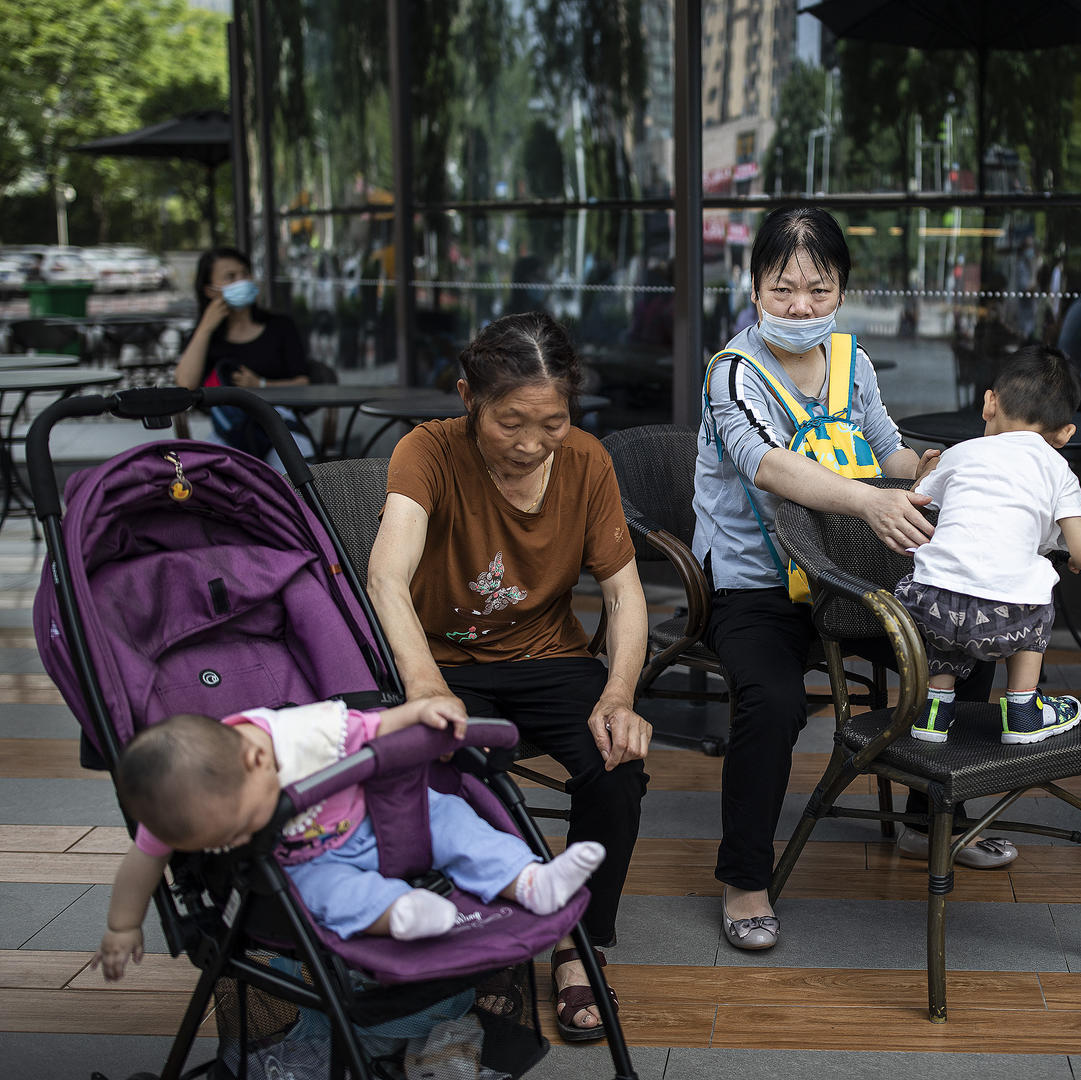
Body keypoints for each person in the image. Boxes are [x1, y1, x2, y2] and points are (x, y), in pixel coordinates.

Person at [694, 207, 1018, 955]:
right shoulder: (731, 374)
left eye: (819, 288)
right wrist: (871, 500)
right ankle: (744, 877)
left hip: (843, 579)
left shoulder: (852, 361)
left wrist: (946, 464)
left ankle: (928, 818)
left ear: (841, 289)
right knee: (771, 701)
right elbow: (771, 466)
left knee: (963, 644)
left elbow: (891, 452)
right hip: (757, 587)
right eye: (783, 289)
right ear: (752, 289)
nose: (801, 306)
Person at [368, 311, 650, 1041]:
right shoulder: (426, 452)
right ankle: (494, 932)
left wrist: (619, 694)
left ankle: (575, 944)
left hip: (547, 655)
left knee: (616, 765)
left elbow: (623, 593)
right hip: (446, 660)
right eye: (510, 422)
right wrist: (425, 683)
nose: (531, 443)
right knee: (457, 769)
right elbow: (386, 577)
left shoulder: (586, 460)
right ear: (469, 399)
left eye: (551, 422)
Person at [93, 700, 606, 980]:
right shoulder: (179, 803)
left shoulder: (305, 734)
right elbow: (141, 863)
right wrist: (122, 925)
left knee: (451, 816)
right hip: (318, 860)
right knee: (325, 893)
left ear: (257, 760)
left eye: (242, 825)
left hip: (381, 821)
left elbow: (374, 725)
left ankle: (530, 881)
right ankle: (402, 914)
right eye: (225, 840)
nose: (243, 838)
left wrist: (420, 713)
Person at [895, 346, 1081, 744]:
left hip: (930, 610)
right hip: (1006, 621)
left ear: (989, 403)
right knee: (1035, 586)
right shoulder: (1057, 470)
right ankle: (1022, 710)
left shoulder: (960, 454)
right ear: (1066, 433)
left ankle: (934, 709)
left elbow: (917, 500)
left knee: (951, 578)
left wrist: (926, 471)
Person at [174, 246, 315, 471]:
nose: (242, 281)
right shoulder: (205, 337)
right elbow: (184, 385)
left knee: (295, 477)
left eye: (245, 274)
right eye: (231, 277)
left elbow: (303, 383)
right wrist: (205, 328)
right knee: (214, 479)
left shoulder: (280, 327)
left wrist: (261, 385)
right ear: (210, 290)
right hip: (231, 430)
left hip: (280, 427)